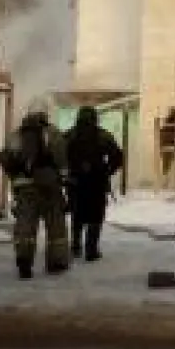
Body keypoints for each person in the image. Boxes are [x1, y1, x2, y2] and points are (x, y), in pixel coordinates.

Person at [0, 96, 72, 279]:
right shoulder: (53, 133)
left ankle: (24, 259)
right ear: (45, 114)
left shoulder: (16, 135)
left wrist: (16, 176)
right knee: (56, 226)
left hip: (24, 188)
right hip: (49, 187)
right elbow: (62, 159)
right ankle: (57, 261)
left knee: (25, 225)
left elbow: (5, 158)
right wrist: (63, 178)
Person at [65, 105, 124, 262]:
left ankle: (76, 246)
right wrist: (106, 171)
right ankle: (91, 249)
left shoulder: (70, 135)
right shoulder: (103, 136)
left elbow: (59, 157)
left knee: (77, 214)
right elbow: (118, 157)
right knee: (95, 216)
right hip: (96, 182)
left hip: (75, 182)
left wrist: (67, 175)